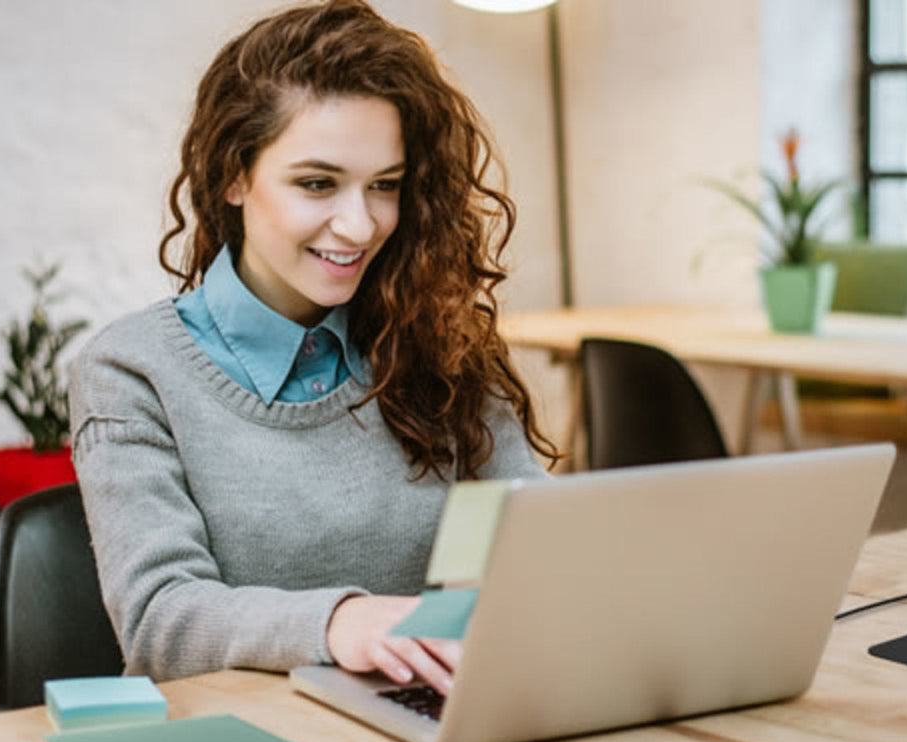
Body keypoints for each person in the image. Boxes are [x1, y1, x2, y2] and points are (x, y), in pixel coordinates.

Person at [67, 0, 558, 694]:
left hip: (430, 736)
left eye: (385, 187)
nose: (358, 226)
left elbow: (536, 543)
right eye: (317, 183)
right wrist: (343, 623)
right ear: (234, 175)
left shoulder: (438, 343)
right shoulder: (131, 371)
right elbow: (160, 618)